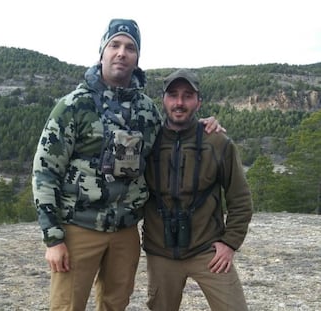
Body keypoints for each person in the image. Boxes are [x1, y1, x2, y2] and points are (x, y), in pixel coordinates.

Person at [32, 19, 221, 310]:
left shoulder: (147, 110)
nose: (122, 52)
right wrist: (53, 238)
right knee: (67, 306)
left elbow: (173, 142)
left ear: (137, 57)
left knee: (115, 304)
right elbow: (45, 172)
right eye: (115, 45)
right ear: (102, 52)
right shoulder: (73, 106)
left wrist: (204, 124)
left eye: (130, 47)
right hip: (78, 229)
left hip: (125, 232)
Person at [142, 68, 253, 311]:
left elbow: (241, 199)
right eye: (173, 95)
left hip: (207, 251)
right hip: (160, 253)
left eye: (187, 96)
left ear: (198, 102)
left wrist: (230, 243)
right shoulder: (148, 141)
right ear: (163, 99)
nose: (179, 102)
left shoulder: (217, 142)